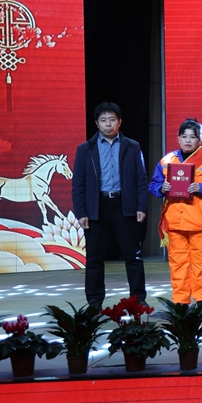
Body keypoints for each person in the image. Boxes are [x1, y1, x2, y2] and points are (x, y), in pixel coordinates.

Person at [72, 102, 149, 309]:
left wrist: (141, 207)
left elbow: (142, 180)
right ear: (97, 123)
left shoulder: (132, 147)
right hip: (97, 207)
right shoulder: (85, 149)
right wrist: (81, 212)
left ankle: (138, 298)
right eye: (103, 120)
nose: (108, 124)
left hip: (125, 205)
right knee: (95, 257)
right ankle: (95, 301)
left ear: (120, 122)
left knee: (133, 255)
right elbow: (78, 184)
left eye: (112, 120)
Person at [149, 118, 202, 306]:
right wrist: (162, 188)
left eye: (193, 137)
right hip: (175, 222)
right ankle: (181, 302)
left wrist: (201, 187)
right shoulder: (167, 161)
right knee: (178, 264)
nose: (188, 140)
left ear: (200, 139)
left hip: (200, 222)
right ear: (178, 138)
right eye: (184, 136)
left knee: (201, 264)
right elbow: (153, 184)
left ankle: (201, 301)